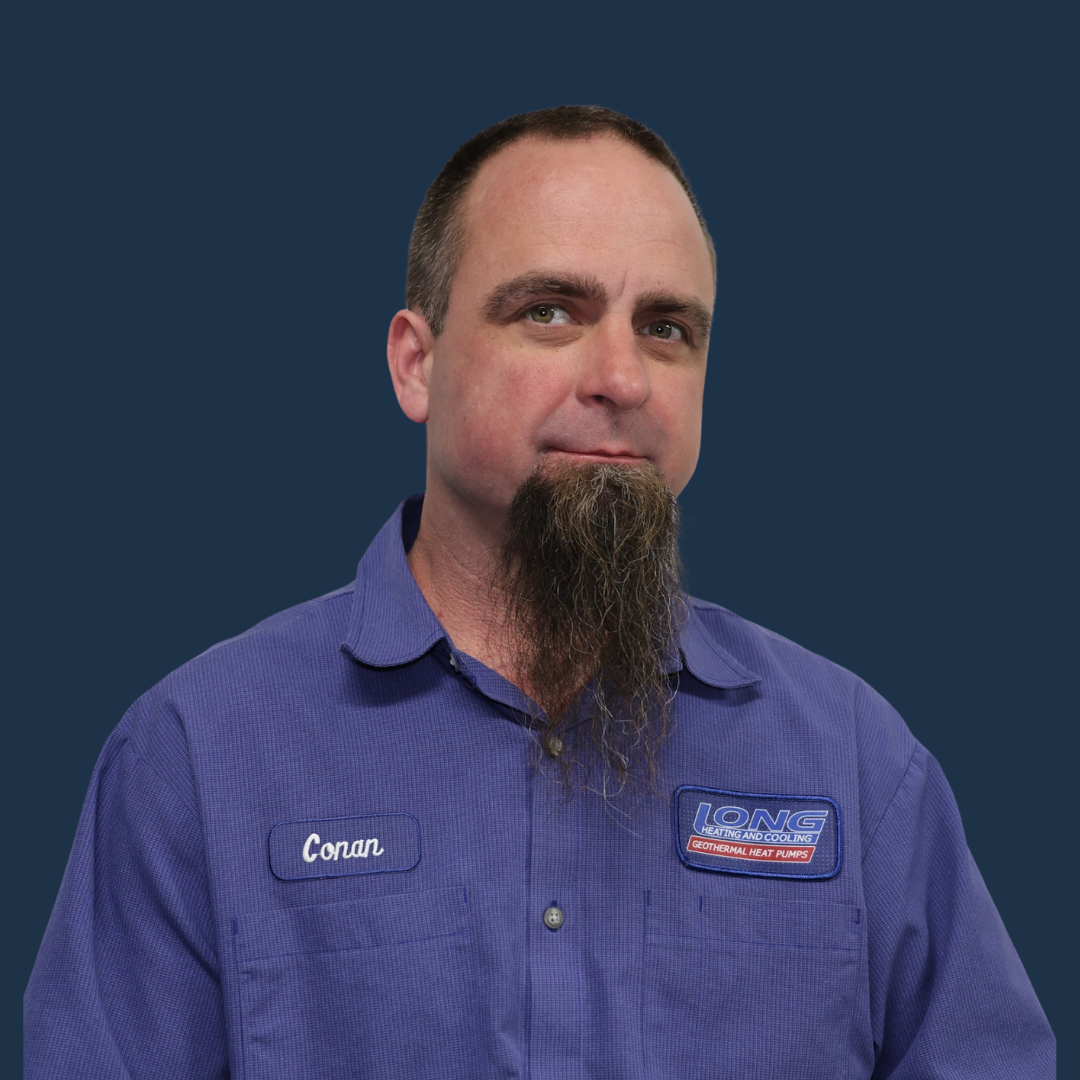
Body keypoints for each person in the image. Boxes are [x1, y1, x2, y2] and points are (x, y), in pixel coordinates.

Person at [24, 105, 1053, 1079]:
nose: (622, 377)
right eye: (550, 312)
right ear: (416, 365)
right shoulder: (199, 756)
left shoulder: (857, 765)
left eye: (667, 328)